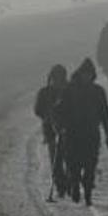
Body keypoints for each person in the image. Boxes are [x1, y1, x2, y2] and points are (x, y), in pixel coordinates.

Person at [55, 59, 108, 206]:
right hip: (72, 134)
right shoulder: (69, 90)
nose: (86, 76)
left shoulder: (98, 92)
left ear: (92, 75)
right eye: (84, 73)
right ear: (79, 74)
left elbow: (105, 114)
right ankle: (75, 186)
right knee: (73, 165)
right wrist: (60, 126)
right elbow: (59, 110)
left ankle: (88, 193)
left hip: (91, 135)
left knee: (90, 166)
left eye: (89, 74)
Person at [34, 65, 69, 198]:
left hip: (67, 130)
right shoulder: (44, 92)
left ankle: (67, 183)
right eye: (55, 78)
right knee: (56, 159)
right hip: (51, 131)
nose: (57, 81)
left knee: (67, 158)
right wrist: (48, 117)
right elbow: (38, 110)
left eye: (59, 79)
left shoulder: (69, 91)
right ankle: (61, 186)